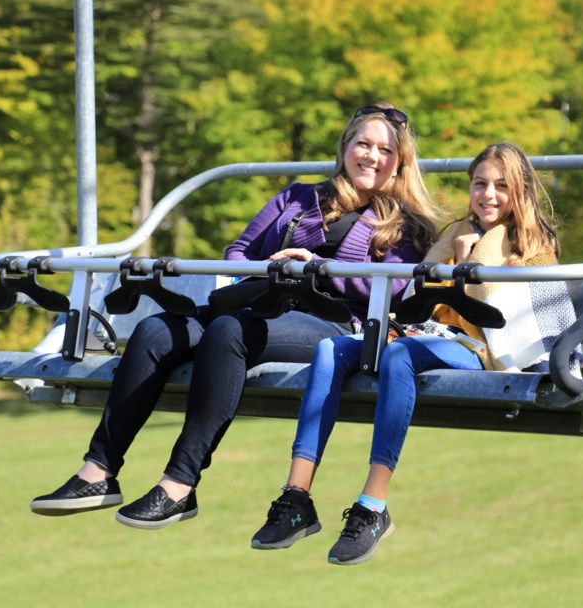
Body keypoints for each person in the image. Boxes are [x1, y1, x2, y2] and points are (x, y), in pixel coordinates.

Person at [30, 102, 440, 530]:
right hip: (260, 302)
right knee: (155, 331)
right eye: (363, 144)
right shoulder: (299, 196)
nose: (371, 156)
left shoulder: (405, 223)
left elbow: (389, 286)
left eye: (385, 150)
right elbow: (238, 251)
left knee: (230, 332)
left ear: (399, 162)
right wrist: (274, 265)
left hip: (333, 324)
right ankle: (98, 472)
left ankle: (179, 484)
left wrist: (314, 271)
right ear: (345, 147)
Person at [250, 142, 581, 565]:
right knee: (332, 349)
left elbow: (511, 318)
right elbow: (414, 296)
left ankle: (373, 505)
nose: (489, 195)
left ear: (520, 192)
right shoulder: (455, 234)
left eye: (502, 186)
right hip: (427, 333)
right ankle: (296, 497)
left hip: (480, 350)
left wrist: (466, 267)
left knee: (399, 356)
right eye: (480, 184)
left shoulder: (532, 246)